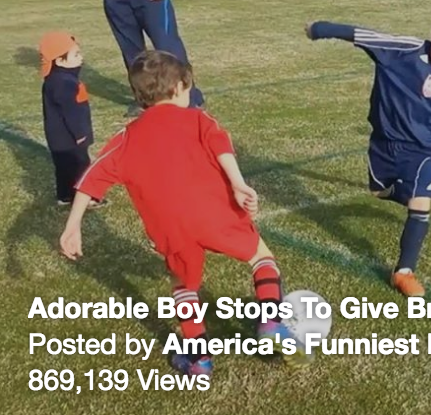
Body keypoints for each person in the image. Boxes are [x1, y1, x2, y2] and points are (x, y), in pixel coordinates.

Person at [59, 50, 305, 377]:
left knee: (183, 285)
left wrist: (73, 225)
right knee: (261, 258)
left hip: (170, 229)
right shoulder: (198, 119)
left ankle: (199, 359)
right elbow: (220, 146)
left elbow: (92, 178)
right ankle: (271, 322)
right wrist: (238, 183)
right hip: (216, 215)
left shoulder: (126, 138)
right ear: (178, 86)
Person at [304, 5, 431, 297]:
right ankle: (404, 195)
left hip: (422, 151)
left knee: (421, 202)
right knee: (379, 192)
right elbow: (364, 36)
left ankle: (404, 272)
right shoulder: (403, 50)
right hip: (383, 143)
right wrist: (321, 29)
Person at [40, 32, 104, 208]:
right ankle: (88, 197)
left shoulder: (55, 79)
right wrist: (81, 134)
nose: (81, 57)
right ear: (60, 61)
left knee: (64, 167)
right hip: (69, 137)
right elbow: (72, 112)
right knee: (81, 166)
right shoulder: (64, 83)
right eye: (75, 55)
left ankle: (65, 195)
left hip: (58, 138)